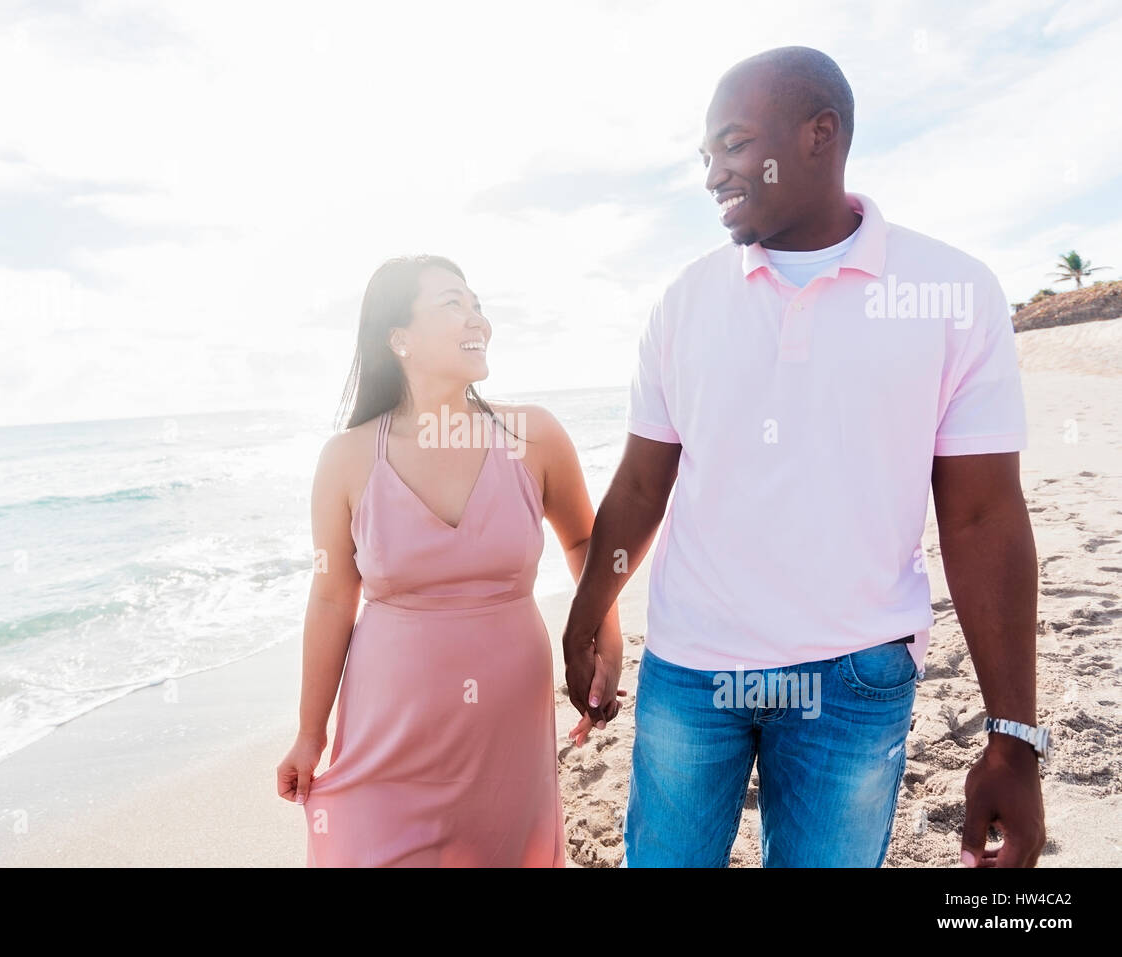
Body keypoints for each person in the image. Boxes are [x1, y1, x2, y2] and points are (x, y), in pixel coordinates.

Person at [561, 46, 1046, 867]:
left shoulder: (953, 292)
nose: (712, 172)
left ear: (820, 133)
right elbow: (645, 481)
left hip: (854, 682)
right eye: (705, 154)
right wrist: (589, 608)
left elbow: (981, 512)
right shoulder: (685, 300)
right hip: (690, 670)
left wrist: (1013, 734)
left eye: (735, 144)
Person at [277, 254, 625, 867]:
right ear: (398, 338)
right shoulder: (348, 458)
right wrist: (311, 733)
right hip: (392, 724)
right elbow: (333, 597)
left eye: (478, 305)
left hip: (506, 724)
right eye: (452, 305)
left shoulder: (532, 435)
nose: (478, 320)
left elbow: (586, 546)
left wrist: (605, 641)